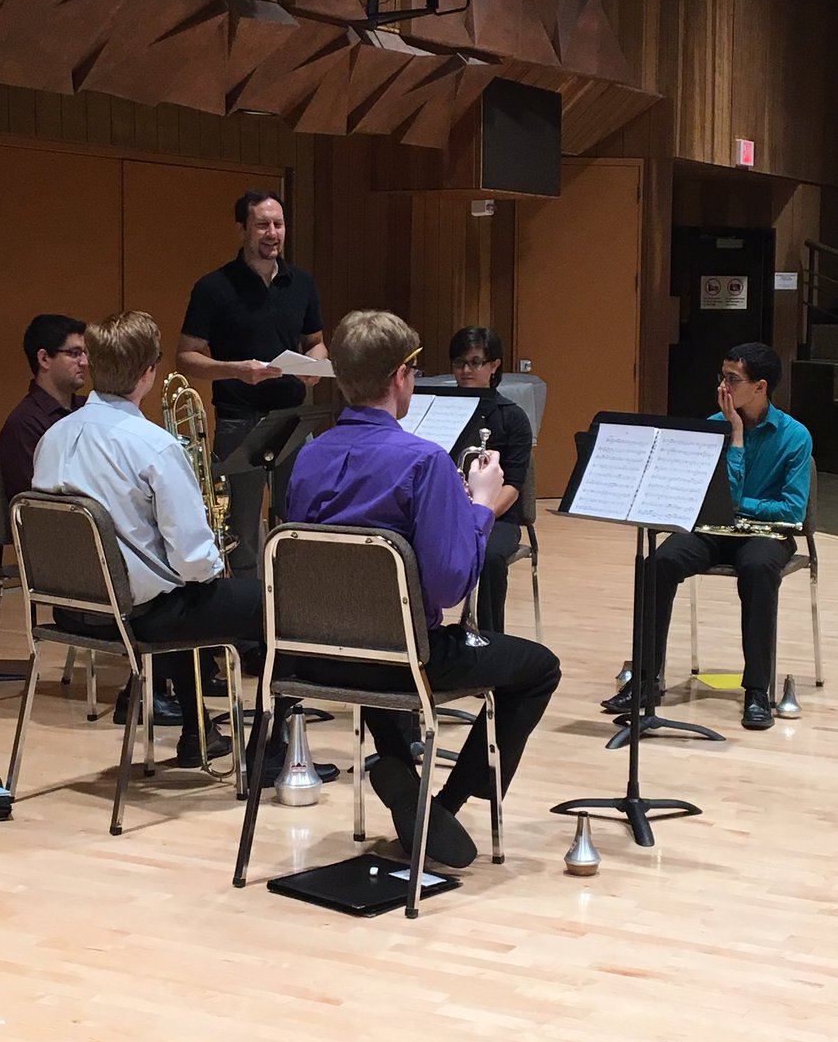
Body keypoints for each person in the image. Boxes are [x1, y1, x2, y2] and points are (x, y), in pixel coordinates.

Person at [286, 310, 562, 868]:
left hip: (317, 656)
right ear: (400, 378)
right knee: (539, 668)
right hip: (403, 659)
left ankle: (400, 769)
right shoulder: (423, 461)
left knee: (375, 643)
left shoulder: (309, 455)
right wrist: (478, 505)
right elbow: (450, 585)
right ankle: (444, 806)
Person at [32, 311, 265, 768]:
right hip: (135, 616)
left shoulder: (53, 438)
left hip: (70, 610)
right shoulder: (155, 446)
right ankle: (274, 751)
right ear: (148, 372)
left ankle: (199, 732)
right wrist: (213, 559)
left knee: (176, 590)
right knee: (265, 598)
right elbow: (194, 563)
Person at [601, 342, 812, 731]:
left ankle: (756, 690)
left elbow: (792, 511)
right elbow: (708, 496)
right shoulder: (713, 425)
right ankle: (645, 680)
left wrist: (742, 504)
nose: (722, 386)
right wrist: (734, 434)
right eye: (722, 376)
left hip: (767, 535)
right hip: (714, 530)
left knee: (758, 569)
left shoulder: (795, 436)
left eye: (733, 379)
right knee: (659, 563)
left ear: (760, 387)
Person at [176, 191, 328, 576]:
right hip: (238, 420)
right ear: (242, 229)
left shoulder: (302, 282)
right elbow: (186, 356)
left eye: (278, 224)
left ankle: (295, 600)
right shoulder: (213, 287)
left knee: (301, 518)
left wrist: (316, 364)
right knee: (241, 532)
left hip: (293, 419)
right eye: (262, 225)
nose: (272, 233)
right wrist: (236, 369)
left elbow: (315, 340)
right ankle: (248, 609)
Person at [449, 325, 533, 632]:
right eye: (459, 363)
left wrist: (480, 516)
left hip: (497, 516)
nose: (466, 371)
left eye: (475, 362)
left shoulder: (512, 417)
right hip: (446, 511)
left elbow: (513, 485)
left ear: (494, 365)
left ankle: (489, 638)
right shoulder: (440, 411)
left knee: (491, 554)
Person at [0, 315, 88, 501]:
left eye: (85, 353)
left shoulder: (89, 408)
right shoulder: (23, 424)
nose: (84, 362)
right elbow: (37, 505)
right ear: (44, 358)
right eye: (74, 353)